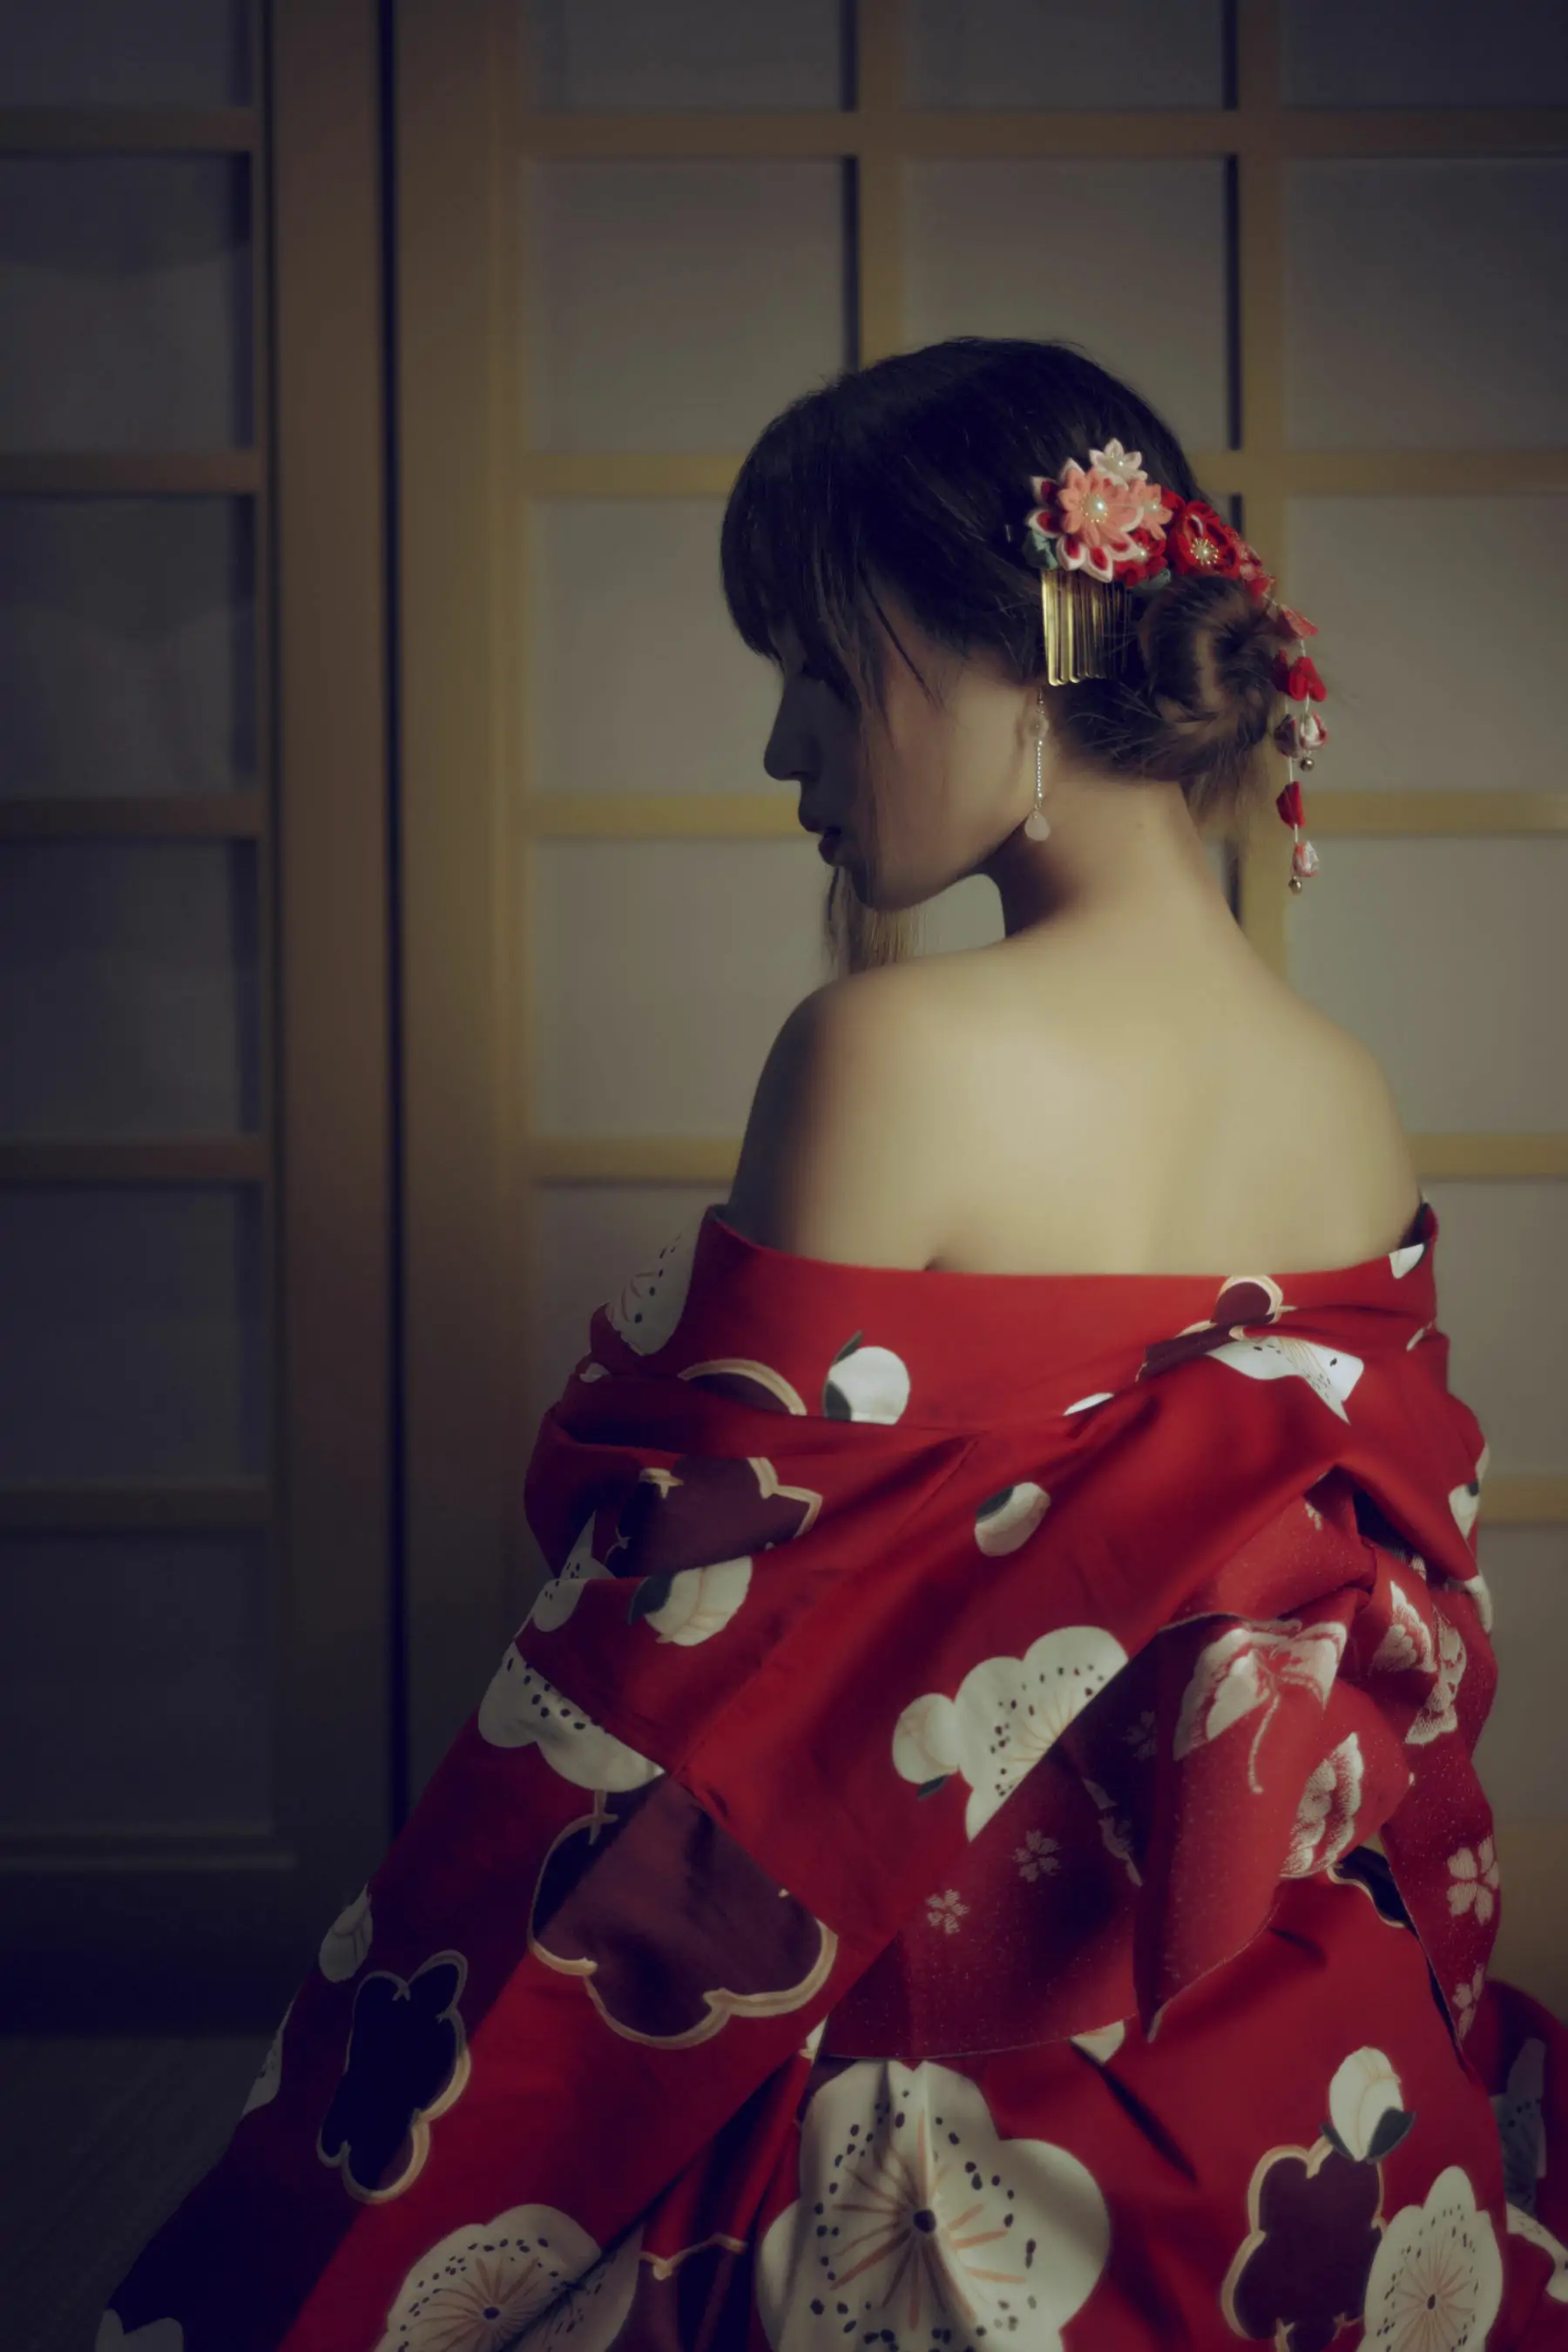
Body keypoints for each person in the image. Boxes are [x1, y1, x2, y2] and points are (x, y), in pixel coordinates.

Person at [101, 339, 1568, 2350]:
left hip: (910, 2060)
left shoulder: (885, 1053)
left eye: (816, 666)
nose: (783, 745)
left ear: (1034, 644)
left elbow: (699, 1633)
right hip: (1269, 2065)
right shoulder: (1345, 1091)